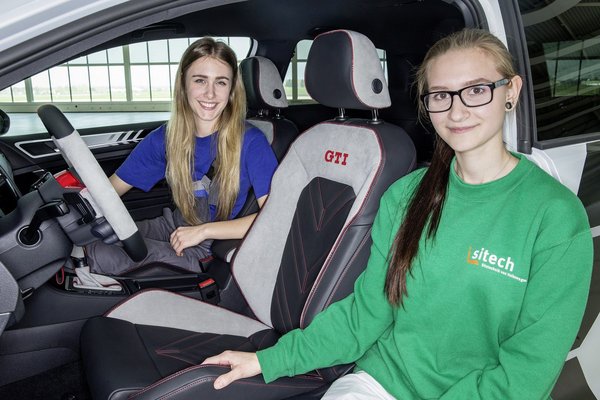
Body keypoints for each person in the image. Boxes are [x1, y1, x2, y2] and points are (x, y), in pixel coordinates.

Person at [201, 28, 594, 399]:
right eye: (440, 95)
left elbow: (527, 373)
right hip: (381, 382)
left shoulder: (555, 217)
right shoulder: (406, 195)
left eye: (476, 90)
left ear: (511, 91)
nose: (456, 112)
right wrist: (269, 360)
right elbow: (365, 315)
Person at [85, 37, 278, 275]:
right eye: (200, 80)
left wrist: (204, 231)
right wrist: (77, 205)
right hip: (172, 225)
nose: (210, 93)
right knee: (95, 239)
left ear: (231, 90)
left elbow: (273, 218)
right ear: (184, 84)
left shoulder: (252, 142)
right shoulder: (166, 137)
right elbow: (110, 190)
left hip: (209, 247)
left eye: (221, 82)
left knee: (102, 255)